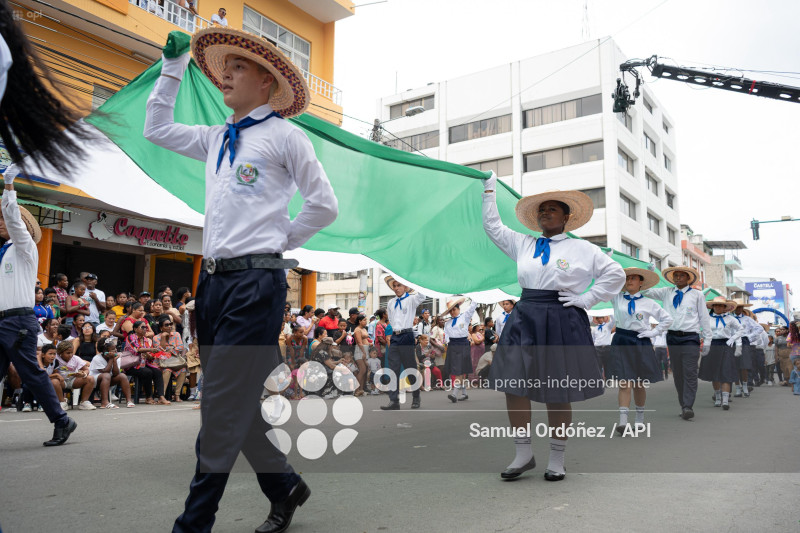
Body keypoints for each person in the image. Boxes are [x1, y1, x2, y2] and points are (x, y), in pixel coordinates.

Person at [145, 28, 337, 533]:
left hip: (256, 283)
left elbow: (324, 204)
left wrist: (279, 241)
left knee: (219, 406)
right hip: (212, 284)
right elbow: (157, 129)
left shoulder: (286, 136)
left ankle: (193, 524)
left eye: (239, 67)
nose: (226, 73)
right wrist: (171, 68)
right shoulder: (214, 137)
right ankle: (285, 486)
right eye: (224, 66)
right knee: (233, 403)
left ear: (268, 83)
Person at [482, 174, 625, 481]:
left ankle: (557, 458)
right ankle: (523, 453)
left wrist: (586, 299)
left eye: (552, 209)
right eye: (541, 209)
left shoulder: (583, 249)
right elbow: (493, 227)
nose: (545, 213)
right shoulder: (523, 244)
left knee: (557, 389)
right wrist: (489, 190)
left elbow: (615, 275)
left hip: (562, 316)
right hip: (525, 315)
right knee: (513, 384)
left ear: (566, 217)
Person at [1, 168, 77, 445]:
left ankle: (62, 420)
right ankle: (62, 420)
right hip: (3, 321)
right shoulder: (6, 252)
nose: (1, 221)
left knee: (31, 374)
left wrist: (9, 185)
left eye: (4, 218)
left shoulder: (25, 247)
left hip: (19, 322)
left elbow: (12, 216)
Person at [606, 268, 672, 435]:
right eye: (627, 278)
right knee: (624, 382)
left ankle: (640, 418)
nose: (629, 281)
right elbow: (607, 284)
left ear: (641, 282)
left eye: (633, 278)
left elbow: (667, 319)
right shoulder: (616, 297)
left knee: (639, 383)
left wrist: (654, 332)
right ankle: (622, 422)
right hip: (621, 339)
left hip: (640, 341)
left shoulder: (649, 302)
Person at [642, 265, 711, 421]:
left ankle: (688, 405)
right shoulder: (666, 292)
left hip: (690, 338)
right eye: (676, 275)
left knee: (690, 373)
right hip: (672, 338)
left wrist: (707, 340)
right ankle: (683, 405)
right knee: (678, 374)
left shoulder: (697, 295)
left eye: (681, 275)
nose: (678, 278)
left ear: (688, 278)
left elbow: (704, 318)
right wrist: (650, 275)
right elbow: (645, 291)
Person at [381, 276, 426, 410]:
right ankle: (394, 401)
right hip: (395, 336)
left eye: (399, 285)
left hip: (407, 335)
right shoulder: (390, 302)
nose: (396, 288)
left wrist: (413, 281)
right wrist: (392, 335)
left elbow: (422, 296)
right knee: (393, 369)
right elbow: (391, 319)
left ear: (405, 287)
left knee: (409, 368)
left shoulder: (411, 299)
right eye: (394, 286)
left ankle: (416, 396)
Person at [698, 297, 744, 411]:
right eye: (716, 305)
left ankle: (725, 401)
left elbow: (741, 329)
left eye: (720, 305)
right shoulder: (707, 318)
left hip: (726, 346)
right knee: (714, 373)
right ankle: (717, 397)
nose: (718, 307)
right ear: (712, 307)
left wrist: (732, 339)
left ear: (725, 307)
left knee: (726, 372)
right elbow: (699, 330)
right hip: (712, 345)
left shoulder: (730, 319)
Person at [124, 320, 171, 405]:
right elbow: (136, 349)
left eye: (146, 327)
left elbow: (151, 355)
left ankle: (161, 397)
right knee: (147, 372)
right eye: (142, 327)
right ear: (135, 329)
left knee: (157, 371)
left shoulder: (147, 340)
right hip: (132, 365)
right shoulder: (130, 337)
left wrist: (150, 355)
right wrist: (150, 350)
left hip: (144, 364)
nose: (145, 329)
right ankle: (148, 397)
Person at [442, 296, 478, 402]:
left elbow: (472, 307)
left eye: (454, 309)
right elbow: (447, 336)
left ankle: (454, 393)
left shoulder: (465, 317)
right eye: (451, 310)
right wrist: (447, 344)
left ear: (458, 309)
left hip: (463, 344)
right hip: (452, 346)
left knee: (459, 370)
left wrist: (476, 295)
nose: (453, 312)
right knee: (458, 370)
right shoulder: (447, 323)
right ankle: (464, 393)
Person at [89, 337, 134, 408]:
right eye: (113, 349)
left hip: (108, 379)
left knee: (122, 376)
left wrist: (114, 361)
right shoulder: (97, 358)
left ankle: (129, 401)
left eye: (115, 348)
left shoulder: (116, 358)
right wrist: (111, 359)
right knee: (106, 375)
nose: (115, 350)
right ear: (105, 351)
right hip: (95, 381)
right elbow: (105, 371)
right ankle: (104, 402)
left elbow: (116, 373)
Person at [153, 314, 188, 402]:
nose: (169, 326)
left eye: (170, 324)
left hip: (175, 362)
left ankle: (177, 395)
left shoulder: (176, 334)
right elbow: (160, 352)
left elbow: (180, 347)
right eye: (166, 325)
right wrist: (164, 337)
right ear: (161, 328)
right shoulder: (156, 338)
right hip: (162, 363)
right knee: (167, 370)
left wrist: (169, 350)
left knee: (183, 370)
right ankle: (162, 396)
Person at [730, 300, 761, 397]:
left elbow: (759, 328)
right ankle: (738, 389)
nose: (738, 309)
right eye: (736, 307)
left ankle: (745, 386)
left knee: (744, 366)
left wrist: (749, 337)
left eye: (740, 307)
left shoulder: (747, 319)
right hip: (733, 342)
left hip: (744, 342)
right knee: (734, 366)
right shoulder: (730, 318)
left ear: (743, 308)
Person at [54, 341, 96, 410]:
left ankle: (84, 402)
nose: (70, 355)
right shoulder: (55, 358)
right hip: (61, 381)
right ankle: (62, 402)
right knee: (54, 381)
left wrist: (83, 374)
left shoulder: (75, 358)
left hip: (73, 380)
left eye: (71, 352)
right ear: (60, 353)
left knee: (90, 378)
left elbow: (86, 369)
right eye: (68, 353)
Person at [353, 313, 370, 396]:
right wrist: (364, 352)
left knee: (365, 370)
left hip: (365, 349)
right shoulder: (357, 330)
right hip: (360, 350)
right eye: (364, 320)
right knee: (362, 370)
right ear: (359, 321)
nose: (366, 322)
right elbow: (359, 342)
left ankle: (361, 389)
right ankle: (357, 390)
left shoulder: (364, 329)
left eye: (366, 320)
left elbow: (366, 339)